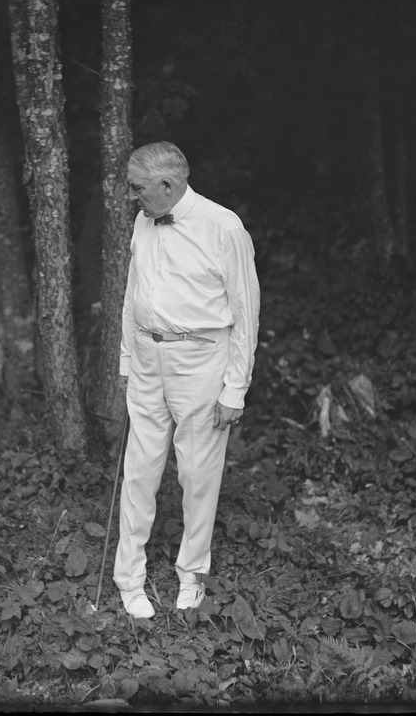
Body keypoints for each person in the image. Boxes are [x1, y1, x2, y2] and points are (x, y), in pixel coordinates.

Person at [114, 141, 260, 618]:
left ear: (168, 185)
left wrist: (235, 388)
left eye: (138, 188)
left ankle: (191, 575)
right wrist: (125, 359)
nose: (132, 196)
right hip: (147, 359)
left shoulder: (224, 227)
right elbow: (132, 293)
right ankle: (128, 578)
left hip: (201, 362)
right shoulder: (143, 219)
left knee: (197, 475)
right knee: (139, 470)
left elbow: (245, 312)